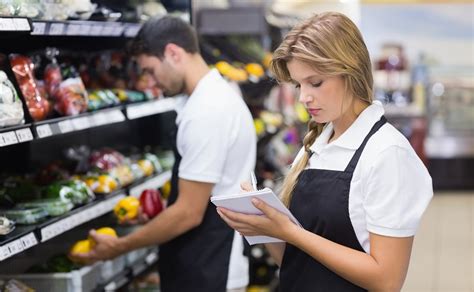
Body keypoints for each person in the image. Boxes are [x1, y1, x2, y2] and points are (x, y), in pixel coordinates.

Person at [217, 12, 433, 291]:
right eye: (298, 85)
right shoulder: (315, 146)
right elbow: (296, 263)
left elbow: (386, 279)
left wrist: (292, 233)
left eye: (315, 82)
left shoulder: (386, 153)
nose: (304, 97)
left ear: (351, 72)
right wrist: (265, 229)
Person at [71, 16, 256, 292]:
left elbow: (188, 213)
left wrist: (119, 247)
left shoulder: (207, 110)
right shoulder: (216, 96)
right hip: (205, 262)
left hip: (211, 270)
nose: (151, 81)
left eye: (150, 70)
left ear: (173, 53)